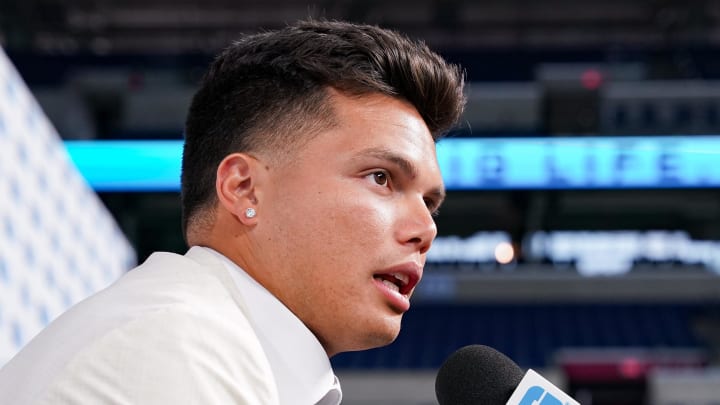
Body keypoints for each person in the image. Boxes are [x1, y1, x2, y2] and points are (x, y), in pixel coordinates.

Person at [0, 19, 465, 404]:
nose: (425, 229)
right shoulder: (176, 349)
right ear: (243, 189)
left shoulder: (203, 340)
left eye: (429, 203)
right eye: (382, 178)